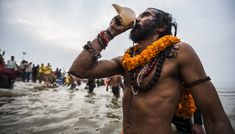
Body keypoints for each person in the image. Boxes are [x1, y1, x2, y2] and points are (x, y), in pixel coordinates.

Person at [69, 7, 234, 134]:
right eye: (138, 15)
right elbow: (79, 70)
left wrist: (198, 123)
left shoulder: (179, 52)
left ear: (161, 27)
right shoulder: (126, 61)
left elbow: (215, 118)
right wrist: (109, 33)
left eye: (145, 15)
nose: (137, 18)